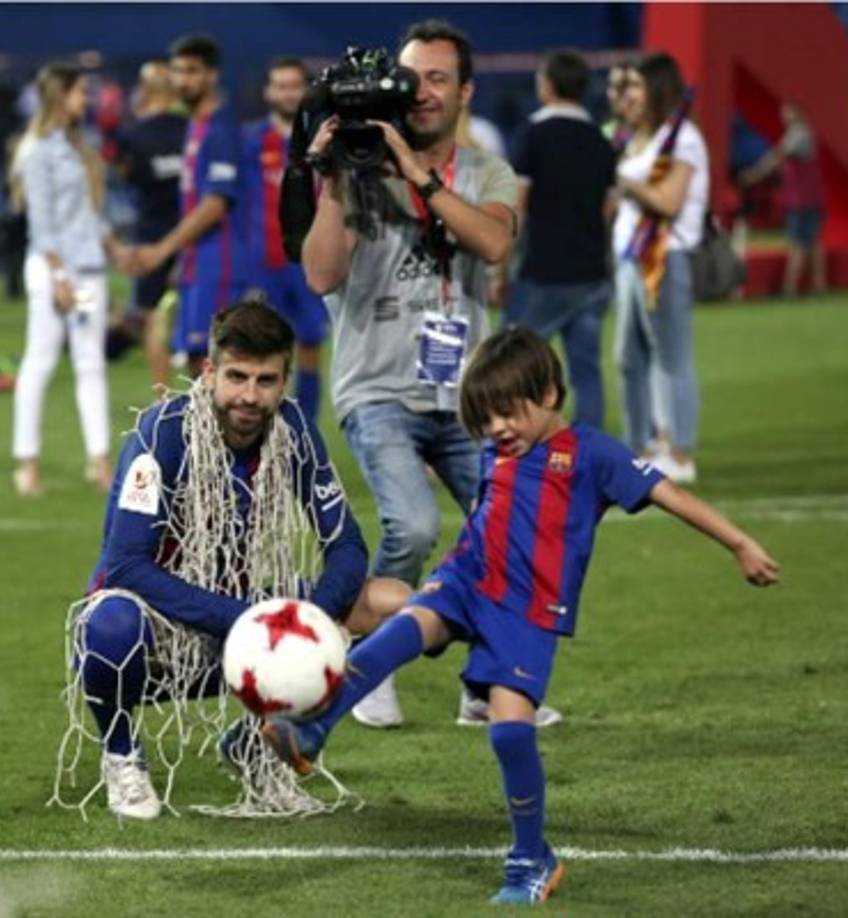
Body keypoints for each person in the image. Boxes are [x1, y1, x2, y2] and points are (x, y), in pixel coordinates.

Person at [262, 326, 780, 905]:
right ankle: (310, 728)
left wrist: (739, 544)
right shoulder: (496, 447)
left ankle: (532, 858)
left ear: (550, 394)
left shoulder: (594, 454)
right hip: (465, 581)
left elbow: (671, 496)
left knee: (510, 734)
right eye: (486, 420)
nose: (496, 430)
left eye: (507, 414)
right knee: (398, 637)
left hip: (527, 612)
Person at [72, 299, 390, 819]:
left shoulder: (294, 430)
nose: (249, 396)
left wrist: (309, 621)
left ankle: (257, 741)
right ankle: (122, 754)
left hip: (245, 622)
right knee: (108, 625)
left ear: (285, 380)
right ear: (209, 371)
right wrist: (248, 619)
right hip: (160, 630)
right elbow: (125, 565)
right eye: (236, 376)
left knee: (388, 604)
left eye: (266, 381)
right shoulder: (162, 432)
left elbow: (348, 547)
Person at [301, 19, 529, 729]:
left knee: (505, 537)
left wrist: (417, 173)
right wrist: (336, 181)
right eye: (411, 78)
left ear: (464, 90)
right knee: (413, 520)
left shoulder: (486, 169)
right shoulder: (357, 165)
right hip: (376, 387)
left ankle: (479, 685)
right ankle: (368, 659)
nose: (421, 92)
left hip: (465, 393)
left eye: (437, 78)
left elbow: (490, 241)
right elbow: (319, 274)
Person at [10, 63, 129, 497]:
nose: (88, 99)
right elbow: (42, 222)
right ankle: (27, 462)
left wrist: (117, 250)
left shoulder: (80, 146)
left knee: (90, 363)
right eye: (81, 92)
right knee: (39, 361)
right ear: (60, 95)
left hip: (88, 269)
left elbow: (88, 216)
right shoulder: (38, 150)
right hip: (52, 268)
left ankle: (99, 462)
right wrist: (59, 275)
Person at [507, 49, 618, 430]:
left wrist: (501, 263)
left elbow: (517, 207)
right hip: (592, 273)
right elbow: (609, 210)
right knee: (586, 372)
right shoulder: (600, 141)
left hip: (544, 272)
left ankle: (508, 443)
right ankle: (588, 452)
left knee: (509, 363)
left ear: (548, 86)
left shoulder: (533, 135)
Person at [612, 52, 709, 484]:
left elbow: (669, 201)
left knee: (672, 357)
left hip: (664, 257)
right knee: (630, 358)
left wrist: (624, 183)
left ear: (656, 89)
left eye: (634, 85)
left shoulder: (682, 138)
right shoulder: (639, 139)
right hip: (630, 259)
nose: (626, 95)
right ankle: (641, 444)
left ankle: (681, 452)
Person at [130, 35, 250, 376]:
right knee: (200, 368)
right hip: (197, 264)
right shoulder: (194, 126)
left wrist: (161, 251)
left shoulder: (221, 129)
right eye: (178, 71)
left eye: (192, 71)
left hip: (220, 265)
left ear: (212, 75)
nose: (183, 80)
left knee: (217, 368)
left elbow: (215, 204)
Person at [242, 57, 329, 423]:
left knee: (310, 347)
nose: (287, 92)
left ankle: (302, 434)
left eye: (294, 85)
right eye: (280, 85)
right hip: (264, 265)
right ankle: (260, 434)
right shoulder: (249, 141)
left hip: (309, 265)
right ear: (268, 91)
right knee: (259, 354)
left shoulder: (324, 139)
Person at [107, 59, 187, 385]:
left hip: (151, 233)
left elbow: (123, 175)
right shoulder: (191, 130)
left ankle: (162, 398)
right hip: (194, 231)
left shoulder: (131, 136)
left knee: (153, 315)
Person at [738, 102, 826, 297]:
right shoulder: (801, 133)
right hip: (808, 197)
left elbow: (776, 157)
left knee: (799, 243)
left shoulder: (798, 135)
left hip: (802, 199)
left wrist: (752, 175)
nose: (783, 114)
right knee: (812, 243)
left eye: (788, 109)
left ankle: (791, 287)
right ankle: (819, 285)